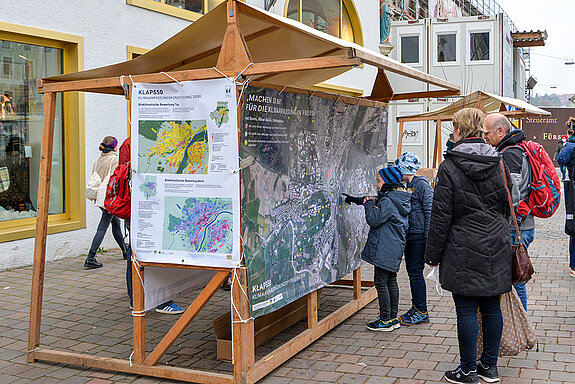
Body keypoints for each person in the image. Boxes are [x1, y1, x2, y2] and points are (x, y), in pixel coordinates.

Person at [426, 108, 512, 384]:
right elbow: (508, 204)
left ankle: (467, 370)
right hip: (496, 242)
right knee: (491, 308)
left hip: (461, 245)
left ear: (460, 131)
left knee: (465, 310)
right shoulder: (499, 162)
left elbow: (440, 216)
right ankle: (490, 368)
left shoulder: (449, 166)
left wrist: (432, 256)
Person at [118, 137, 185, 314]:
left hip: (144, 207)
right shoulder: (136, 142)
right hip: (144, 207)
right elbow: (127, 177)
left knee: (136, 252)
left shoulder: (129, 142)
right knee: (141, 253)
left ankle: (137, 298)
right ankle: (156, 300)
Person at [344, 166, 411, 331]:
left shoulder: (388, 200)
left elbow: (374, 219)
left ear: (387, 182)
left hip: (384, 249)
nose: (376, 184)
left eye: (379, 181)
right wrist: (357, 200)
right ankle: (392, 318)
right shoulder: (398, 197)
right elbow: (374, 200)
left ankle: (385, 320)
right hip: (393, 247)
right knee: (390, 280)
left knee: (381, 282)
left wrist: (368, 206)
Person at [484, 113, 533, 311]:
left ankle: (522, 328)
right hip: (521, 224)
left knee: (517, 277)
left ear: (501, 131)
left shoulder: (510, 154)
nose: (485, 136)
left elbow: (511, 193)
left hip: (516, 226)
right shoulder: (513, 150)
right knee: (515, 276)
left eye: (487, 132)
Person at [394, 152, 433, 326]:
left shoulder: (422, 185)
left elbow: (430, 211)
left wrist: (427, 239)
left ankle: (421, 311)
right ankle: (417, 308)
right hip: (411, 236)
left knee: (416, 273)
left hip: (418, 238)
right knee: (412, 272)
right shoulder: (407, 184)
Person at [85, 136, 126, 269]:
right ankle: (90, 257)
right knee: (103, 226)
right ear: (114, 146)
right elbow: (116, 178)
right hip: (109, 197)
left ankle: (125, 251)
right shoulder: (115, 159)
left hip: (100, 198)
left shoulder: (98, 161)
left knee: (115, 223)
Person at [557, 126, 575, 277]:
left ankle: (574, 265)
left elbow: (561, 160)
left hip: (573, 191)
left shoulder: (570, 145)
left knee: (574, 229)